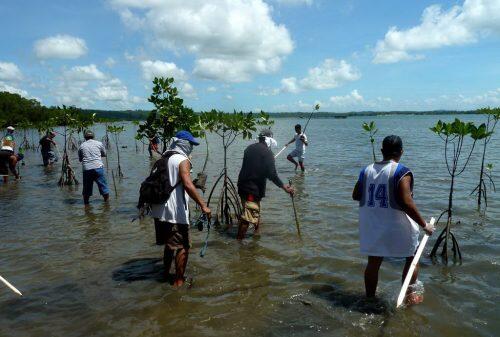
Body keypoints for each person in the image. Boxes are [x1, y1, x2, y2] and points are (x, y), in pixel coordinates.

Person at [352, 135, 435, 305]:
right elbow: (406, 202)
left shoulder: (366, 171)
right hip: (397, 226)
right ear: (401, 151)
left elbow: (356, 195)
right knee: (412, 258)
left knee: (373, 262)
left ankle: (370, 298)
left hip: (373, 225)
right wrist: (424, 225)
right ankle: (409, 295)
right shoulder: (401, 171)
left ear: (382, 151)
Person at [150, 131, 211, 287]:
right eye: (190, 144)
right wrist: (203, 205)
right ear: (183, 143)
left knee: (170, 245)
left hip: (158, 211)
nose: (191, 147)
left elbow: (173, 181)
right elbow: (187, 183)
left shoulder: (163, 157)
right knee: (183, 246)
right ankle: (178, 281)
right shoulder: (182, 159)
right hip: (174, 213)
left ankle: (164, 275)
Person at [237, 129, 294, 240]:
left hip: (242, 186)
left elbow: (255, 168)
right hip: (252, 189)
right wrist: (284, 187)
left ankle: (256, 235)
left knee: (252, 211)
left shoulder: (249, 148)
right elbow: (272, 174)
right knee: (248, 218)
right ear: (269, 140)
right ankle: (239, 243)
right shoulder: (267, 153)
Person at [78, 130, 110, 205]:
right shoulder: (99, 143)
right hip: (98, 167)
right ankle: (107, 204)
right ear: (93, 136)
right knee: (103, 187)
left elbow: (80, 159)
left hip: (87, 169)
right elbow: (104, 154)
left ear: (85, 137)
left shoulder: (82, 145)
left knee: (86, 189)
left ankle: (86, 205)